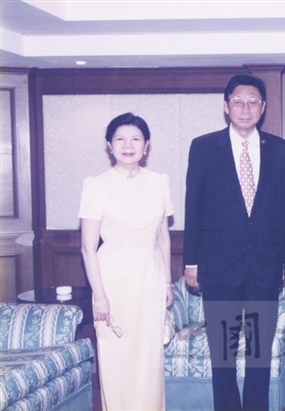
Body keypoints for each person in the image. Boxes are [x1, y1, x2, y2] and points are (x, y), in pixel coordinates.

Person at [183, 74, 285, 410]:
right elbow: (193, 206)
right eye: (238, 101)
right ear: (226, 106)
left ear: (263, 107)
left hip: (265, 268)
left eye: (253, 102)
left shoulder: (279, 149)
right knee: (223, 356)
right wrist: (191, 262)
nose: (245, 108)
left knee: (260, 354)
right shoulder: (204, 147)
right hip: (218, 268)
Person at [79, 112, 174, 410]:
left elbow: (163, 239)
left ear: (146, 145)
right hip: (112, 282)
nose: (128, 145)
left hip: (150, 279)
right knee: (116, 358)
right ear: (109, 145)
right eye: (120, 139)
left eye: (135, 139)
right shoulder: (96, 185)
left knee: (149, 360)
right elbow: (87, 248)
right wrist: (100, 297)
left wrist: (168, 283)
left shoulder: (160, 182)